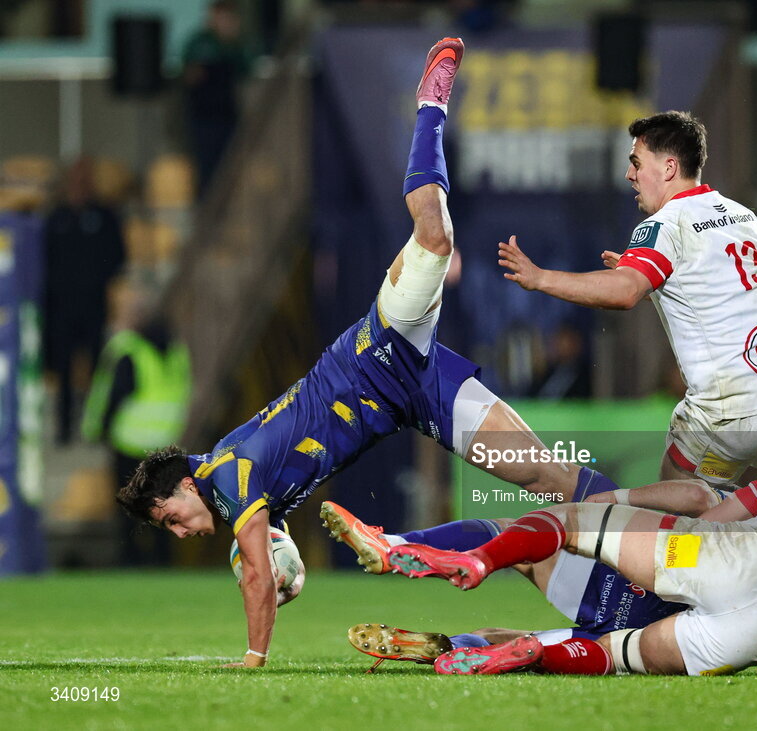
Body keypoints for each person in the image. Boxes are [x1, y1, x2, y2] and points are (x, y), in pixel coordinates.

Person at [115, 39, 622, 669]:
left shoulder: (225, 477)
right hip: (419, 394)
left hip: (379, 352)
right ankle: (656, 565)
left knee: (434, 238)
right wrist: (282, 561)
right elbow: (269, 558)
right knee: (549, 477)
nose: (181, 530)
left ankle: (429, 107)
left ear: (187, 485)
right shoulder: (225, 482)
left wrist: (253, 656)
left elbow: (254, 574)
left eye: (171, 517)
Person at [390, 419, 757, 678]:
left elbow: (711, 514)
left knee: (568, 521)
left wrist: (627, 519)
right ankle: (533, 651)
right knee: (620, 654)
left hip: (728, 559)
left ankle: (478, 559)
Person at [498, 111, 757, 504]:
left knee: (674, 500)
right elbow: (723, 293)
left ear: (668, 167)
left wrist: (539, 277)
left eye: (635, 163)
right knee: (745, 511)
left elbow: (623, 293)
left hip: (733, 411)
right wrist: (654, 285)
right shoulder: (742, 215)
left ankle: (663, 556)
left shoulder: (666, 224)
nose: (630, 175)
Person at [320, 470, 689, 670]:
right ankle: (456, 648)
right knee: (504, 640)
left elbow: (698, 499)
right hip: (650, 635)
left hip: (631, 586)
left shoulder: (727, 526)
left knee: (514, 539)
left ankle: (395, 546)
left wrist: (621, 500)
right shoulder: (742, 581)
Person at [82, 284, 190, 565]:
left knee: (131, 509)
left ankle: (132, 560)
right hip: (165, 447)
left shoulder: (129, 350)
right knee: (167, 508)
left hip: (130, 442)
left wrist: (99, 429)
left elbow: (113, 394)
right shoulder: (177, 352)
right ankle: (163, 562)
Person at [43, 156, 126, 444]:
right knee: (63, 369)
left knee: (98, 369)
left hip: (94, 305)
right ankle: (64, 428)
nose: (79, 185)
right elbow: (45, 260)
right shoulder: (57, 218)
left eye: (85, 178)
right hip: (63, 308)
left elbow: (117, 255)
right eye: (75, 179)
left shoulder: (103, 216)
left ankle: (95, 427)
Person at [182, 0, 252, 195]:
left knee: (232, 166)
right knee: (206, 168)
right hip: (203, 117)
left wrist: (231, 43)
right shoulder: (198, 42)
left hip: (228, 115)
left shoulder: (236, 45)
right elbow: (190, 76)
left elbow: (246, 70)